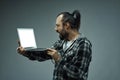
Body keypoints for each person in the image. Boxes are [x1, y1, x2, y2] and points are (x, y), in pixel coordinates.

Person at [17, 10, 92, 80]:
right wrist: (26, 52)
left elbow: (78, 74)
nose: (55, 29)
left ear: (67, 26)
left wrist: (59, 59)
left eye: (58, 25)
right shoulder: (61, 43)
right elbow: (44, 54)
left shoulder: (83, 44)